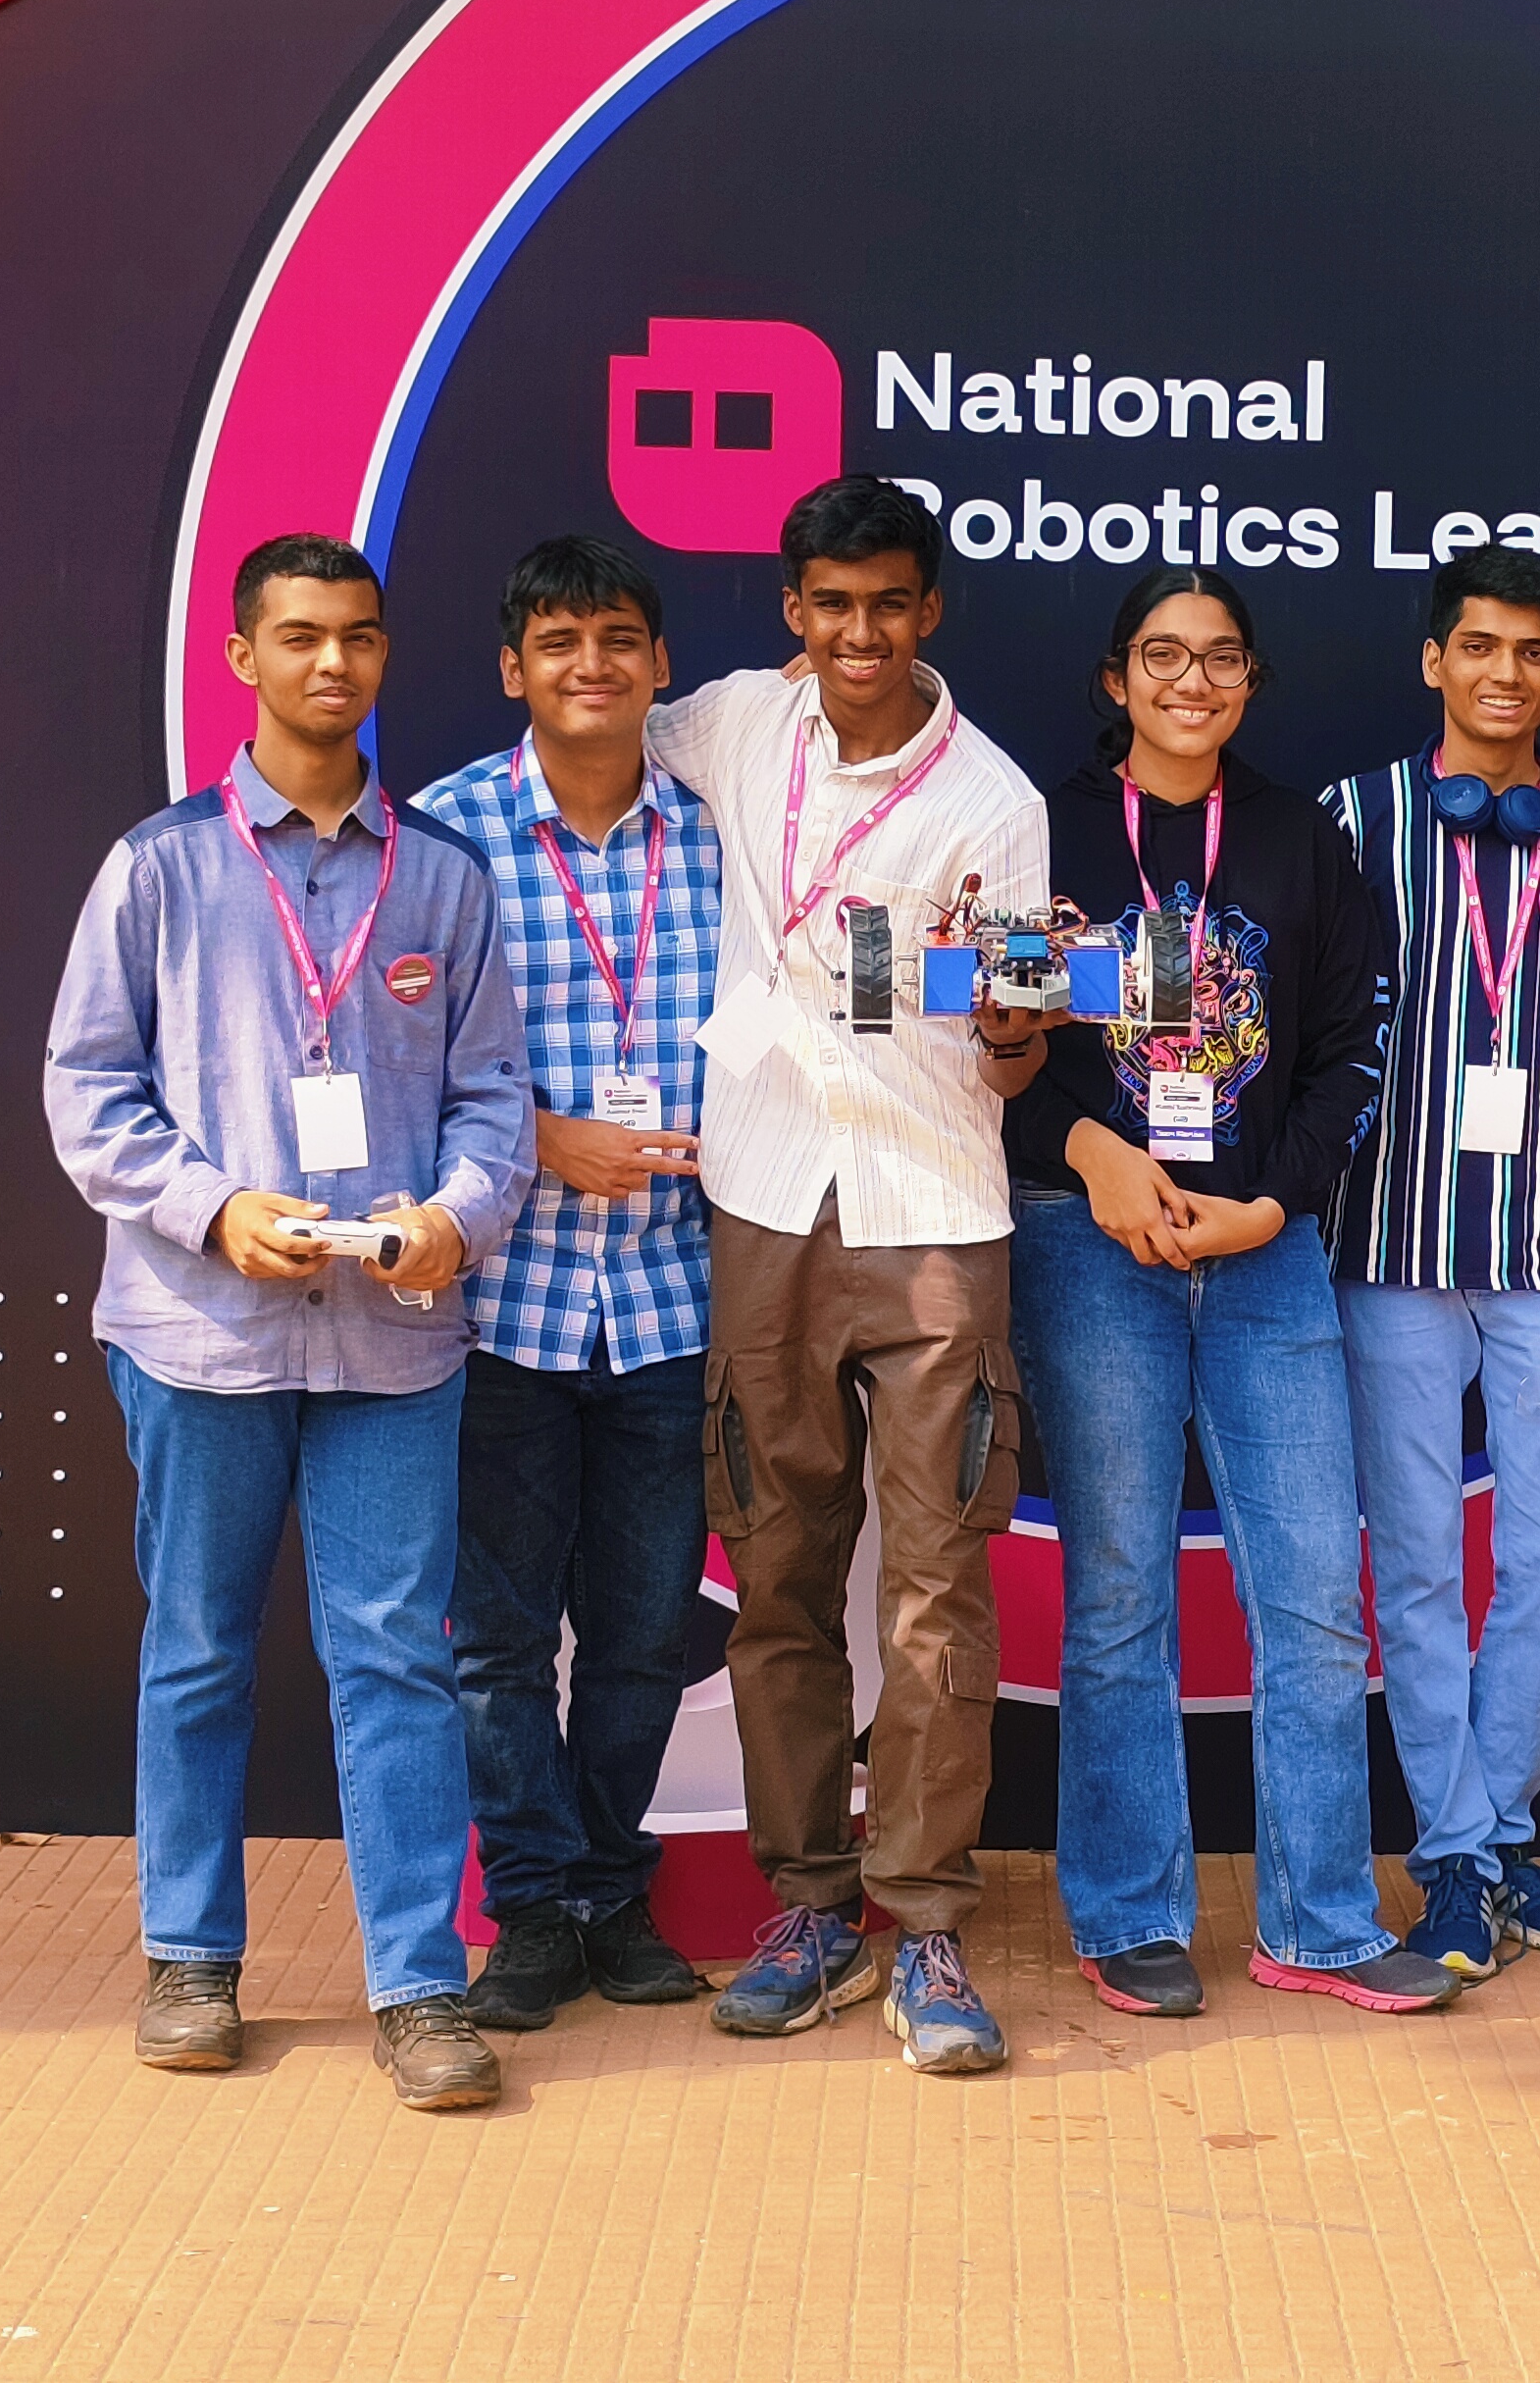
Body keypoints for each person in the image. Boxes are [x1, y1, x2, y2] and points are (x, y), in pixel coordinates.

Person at [45, 532, 537, 2112]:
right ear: (243, 657)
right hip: (203, 1331)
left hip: (393, 1341)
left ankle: (418, 1986)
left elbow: (494, 1099)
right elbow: (87, 1091)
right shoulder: (161, 868)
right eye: (304, 635)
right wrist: (211, 1209)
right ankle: (189, 1959)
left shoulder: (441, 875)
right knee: (197, 1649)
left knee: (395, 1659)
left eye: (361, 636)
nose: (335, 663)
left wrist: (455, 1216)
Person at [645, 474, 1051, 2076]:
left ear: (929, 609)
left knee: (940, 1584)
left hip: (934, 1207)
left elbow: (1015, 1053)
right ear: (792, 612)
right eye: (832, 606)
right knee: (779, 1571)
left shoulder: (994, 800)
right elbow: (597, 734)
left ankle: (927, 1924)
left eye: (889, 604)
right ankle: (811, 1907)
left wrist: (1017, 1022)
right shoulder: (739, 723)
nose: (861, 634)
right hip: (762, 1196)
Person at [1004, 568, 1442, 2017]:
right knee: (1120, 1591)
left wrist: (1273, 1202)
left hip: (1265, 1252)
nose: (1191, 680)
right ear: (1116, 678)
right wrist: (1091, 1152)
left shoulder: (1301, 841)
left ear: (1251, 681)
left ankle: (1320, 1921)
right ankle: (1131, 1913)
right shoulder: (1042, 836)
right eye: (1162, 655)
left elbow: (1353, 1050)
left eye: (1221, 658)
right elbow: (994, 1047)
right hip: (1092, 1244)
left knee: (1314, 1596)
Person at [1325, 544, 1540, 1982]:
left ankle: (1495, 1837)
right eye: (1477, 645)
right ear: (1433, 661)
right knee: (1415, 1568)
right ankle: (1462, 1858)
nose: (1503, 673)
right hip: (1389, 1254)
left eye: (1531, 650)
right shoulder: (1352, 819)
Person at [412, 536, 720, 2034]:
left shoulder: (722, 836)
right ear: (511, 668)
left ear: (660, 665)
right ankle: (532, 1908)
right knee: (499, 1641)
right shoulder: (444, 836)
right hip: (501, 1308)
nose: (589, 665)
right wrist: (544, 1138)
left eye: (616, 639)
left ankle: (607, 1890)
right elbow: (390, 1066)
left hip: (678, 1304)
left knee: (646, 1634)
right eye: (557, 641)